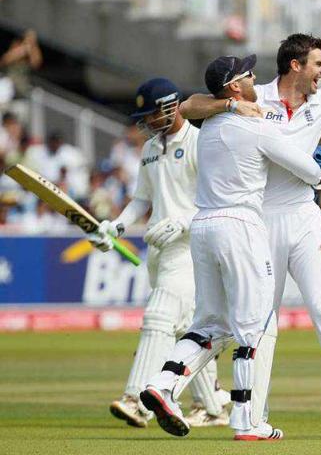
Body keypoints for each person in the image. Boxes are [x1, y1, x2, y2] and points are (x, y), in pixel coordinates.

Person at [178, 27, 321, 434]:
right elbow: (189, 107)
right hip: (257, 220)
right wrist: (231, 109)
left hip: (303, 215)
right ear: (295, 65)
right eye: (318, 64)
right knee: (259, 322)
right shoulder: (253, 96)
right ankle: (252, 415)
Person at [139, 55, 321, 441]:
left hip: (204, 225)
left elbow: (191, 104)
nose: (255, 77)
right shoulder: (252, 125)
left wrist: (228, 105)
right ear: (233, 86)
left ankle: (163, 383)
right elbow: (306, 170)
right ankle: (247, 420)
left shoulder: (206, 126)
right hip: (240, 225)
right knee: (254, 324)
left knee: (210, 325)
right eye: (247, 74)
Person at [88, 78, 230, 430]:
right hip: (161, 250)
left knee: (159, 317)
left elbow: (219, 198)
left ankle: (137, 399)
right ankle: (213, 406)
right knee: (185, 327)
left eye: (151, 114)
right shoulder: (151, 148)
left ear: (169, 106)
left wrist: (183, 221)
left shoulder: (200, 142)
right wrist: (116, 226)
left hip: (192, 246)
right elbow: (142, 200)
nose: (147, 122)